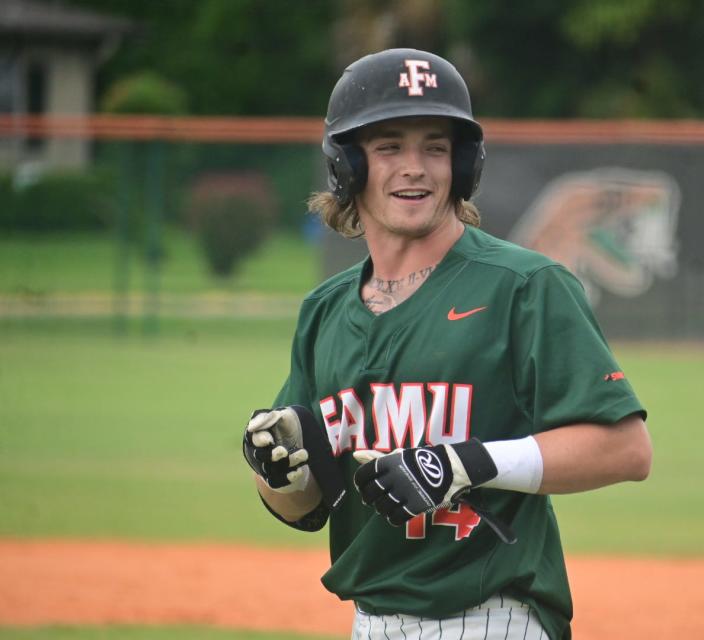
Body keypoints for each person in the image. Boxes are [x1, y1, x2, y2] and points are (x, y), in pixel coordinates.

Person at [241, 48, 653, 640]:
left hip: (490, 619)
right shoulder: (325, 311)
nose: (416, 167)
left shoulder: (524, 286)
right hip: (369, 623)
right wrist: (276, 473)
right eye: (389, 148)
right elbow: (306, 508)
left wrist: (470, 462)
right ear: (347, 167)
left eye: (436, 147)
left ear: (463, 165)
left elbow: (626, 449)